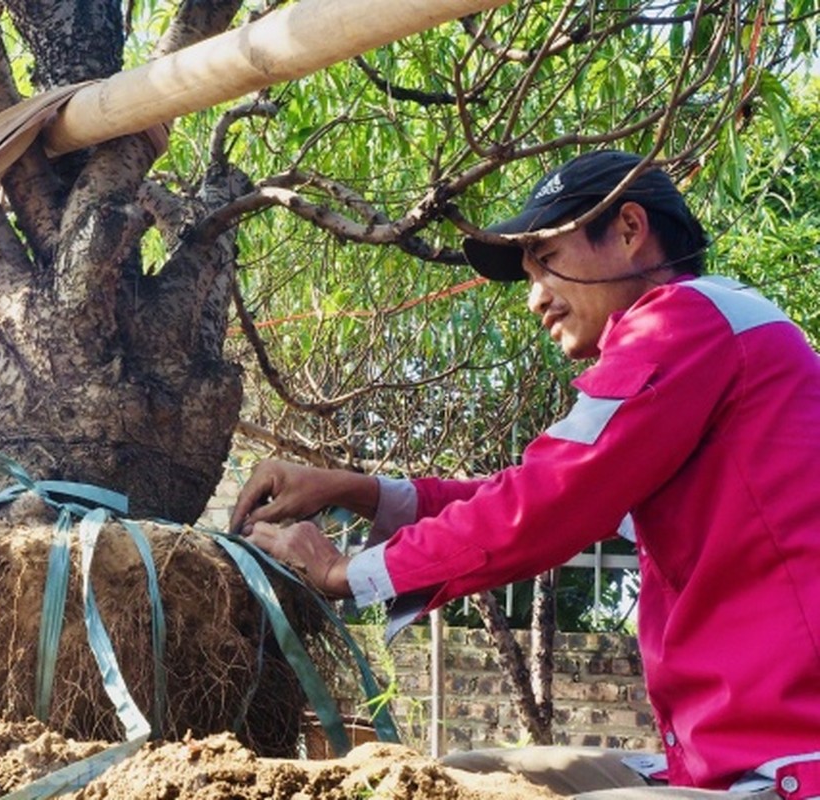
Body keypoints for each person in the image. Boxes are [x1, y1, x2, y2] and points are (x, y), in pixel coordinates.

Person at [230, 151, 820, 799]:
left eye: (547, 258)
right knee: (453, 777)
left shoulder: (683, 318)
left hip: (785, 764)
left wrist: (345, 573)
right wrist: (360, 491)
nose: (535, 296)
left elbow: (550, 499)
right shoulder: (715, 345)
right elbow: (534, 490)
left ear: (627, 230)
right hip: (719, 765)